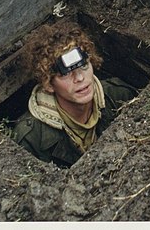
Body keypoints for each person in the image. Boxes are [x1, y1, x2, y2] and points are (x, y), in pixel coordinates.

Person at [12, 20, 136, 167]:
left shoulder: (119, 96)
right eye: (65, 74)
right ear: (48, 84)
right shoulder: (31, 138)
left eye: (83, 65)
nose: (80, 78)